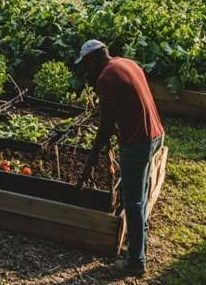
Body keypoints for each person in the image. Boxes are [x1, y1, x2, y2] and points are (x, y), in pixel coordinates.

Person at [75, 39, 164, 276]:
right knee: (139, 195)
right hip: (155, 135)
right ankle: (139, 244)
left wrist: (91, 160)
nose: (86, 71)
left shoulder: (105, 77)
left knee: (132, 201)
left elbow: (105, 125)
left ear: (93, 59)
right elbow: (127, 105)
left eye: (86, 65)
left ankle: (135, 261)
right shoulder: (127, 63)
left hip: (138, 143)